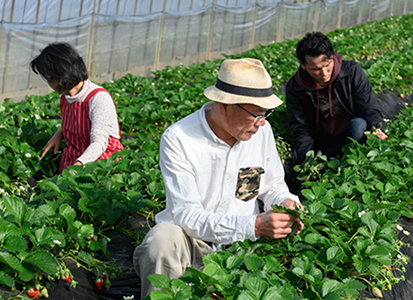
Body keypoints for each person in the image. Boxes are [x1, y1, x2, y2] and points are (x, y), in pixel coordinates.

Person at [133, 58, 304, 297]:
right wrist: (254, 226)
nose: (262, 123)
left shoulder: (261, 131)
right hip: (193, 241)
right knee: (162, 240)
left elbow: (272, 184)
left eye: (266, 113)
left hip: (243, 247)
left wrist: (285, 200)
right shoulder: (179, 139)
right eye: (256, 114)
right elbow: (186, 215)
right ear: (224, 105)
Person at [285, 32, 388, 165]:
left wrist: (378, 129)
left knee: (358, 124)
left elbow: (368, 107)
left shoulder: (351, 72)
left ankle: (353, 161)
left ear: (332, 57)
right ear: (302, 64)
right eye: (316, 69)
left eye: (327, 65)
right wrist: (306, 161)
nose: (324, 73)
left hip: (353, 137)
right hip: (323, 143)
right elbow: (301, 128)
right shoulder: (296, 87)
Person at [30, 43, 123, 173]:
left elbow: (99, 144)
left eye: (50, 80)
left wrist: (77, 167)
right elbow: (77, 124)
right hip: (76, 157)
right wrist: (60, 133)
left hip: (103, 162)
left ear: (62, 75)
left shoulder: (98, 98)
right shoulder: (66, 98)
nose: (50, 84)